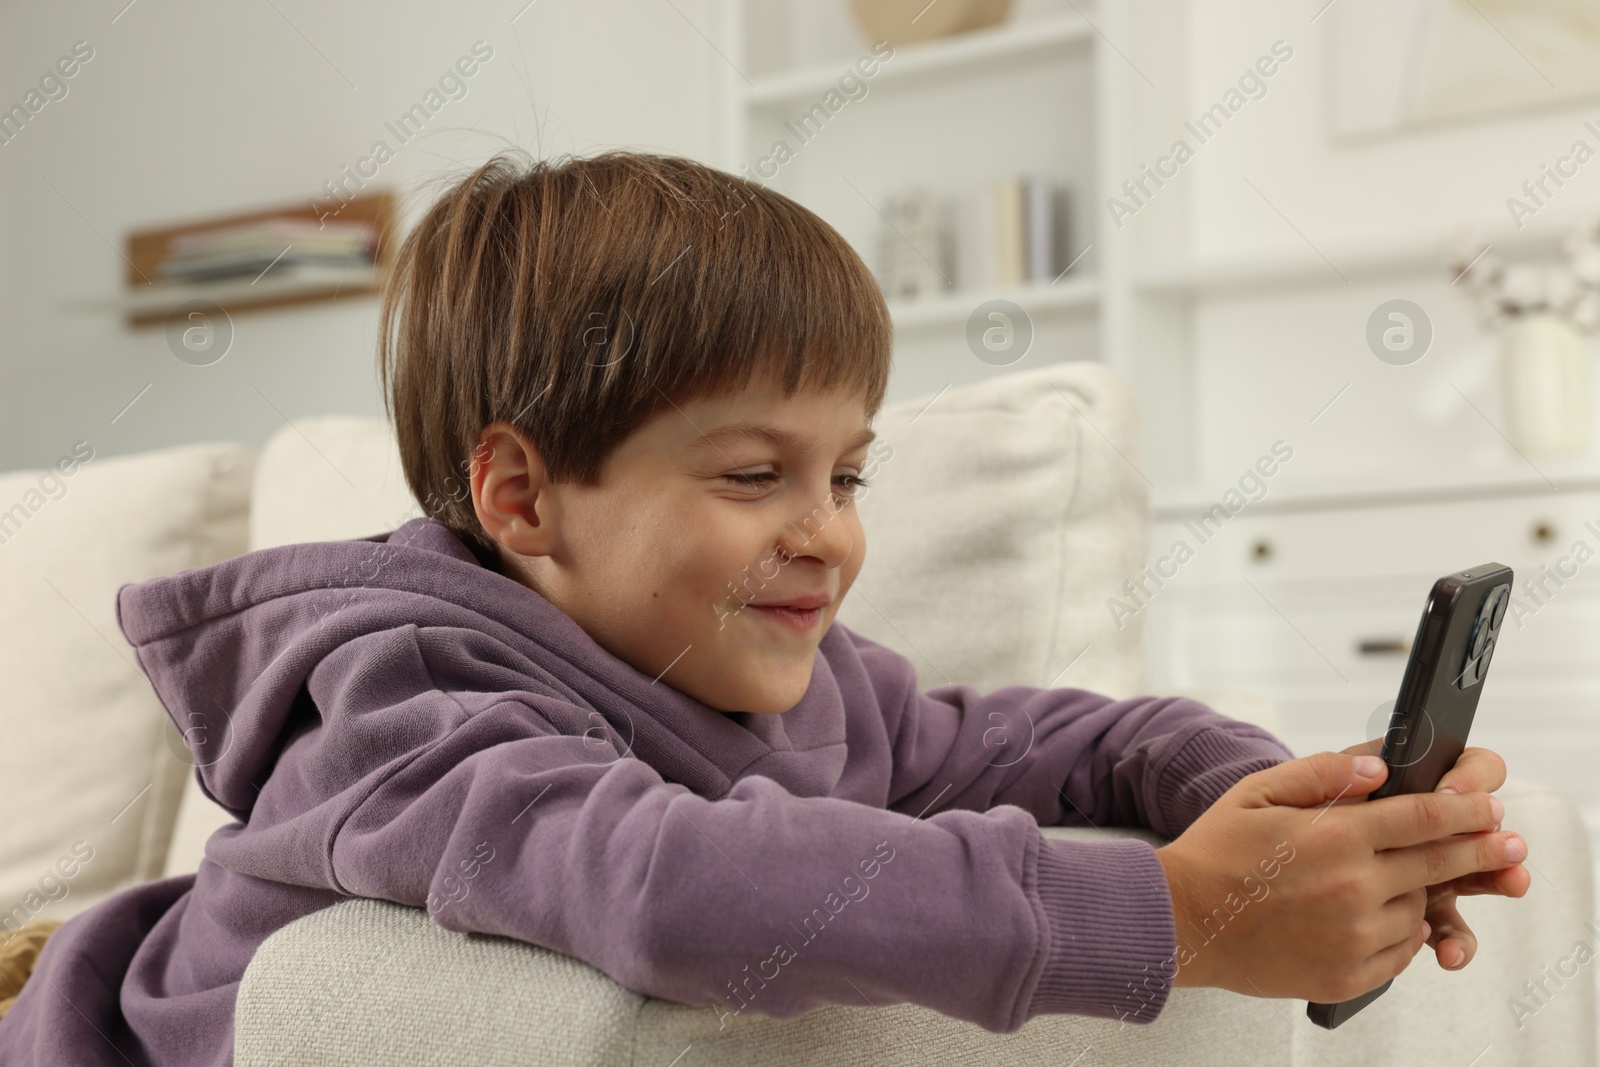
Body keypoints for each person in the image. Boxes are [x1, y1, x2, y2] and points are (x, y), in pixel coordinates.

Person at [0, 150, 1527, 1065]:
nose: (826, 536)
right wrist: (1185, 915)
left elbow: (1057, 736)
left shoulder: (797, 682)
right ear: (523, 497)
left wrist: (1258, 794)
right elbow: (665, 882)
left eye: (850, 476)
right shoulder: (396, 704)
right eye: (753, 474)